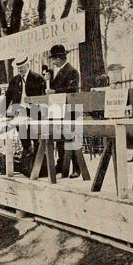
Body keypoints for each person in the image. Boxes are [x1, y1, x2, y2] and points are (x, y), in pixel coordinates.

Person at [47, 44, 80, 178]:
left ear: (59, 58)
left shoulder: (72, 71)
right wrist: (48, 82)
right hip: (58, 111)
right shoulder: (59, 72)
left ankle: (77, 168)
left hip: (69, 111)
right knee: (59, 139)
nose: (53, 62)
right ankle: (61, 165)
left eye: (53, 59)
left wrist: (55, 91)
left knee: (71, 139)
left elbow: (72, 89)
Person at [3, 55, 46, 155]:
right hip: (20, 111)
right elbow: (8, 97)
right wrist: (2, 112)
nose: (20, 70)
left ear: (27, 65)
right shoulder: (14, 80)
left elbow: (43, 98)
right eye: (18, 68)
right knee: (22, 135)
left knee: (35, 137)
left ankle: (37, 160)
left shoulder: (37, 78)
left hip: (34, 111)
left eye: (21, 67)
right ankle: (27, 152)